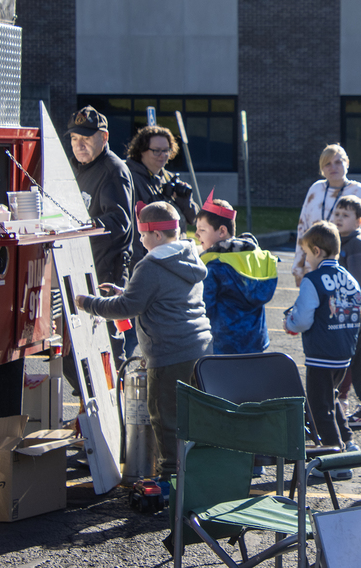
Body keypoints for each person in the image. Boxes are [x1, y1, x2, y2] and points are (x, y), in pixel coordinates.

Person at [74, 201, 213, 482]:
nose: (139, 239)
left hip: (169, 352)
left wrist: (87, 303)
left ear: (157, 235)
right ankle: (198, 473)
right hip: (200, 347)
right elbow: (155, 294)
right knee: (194, 414)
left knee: (164, 417)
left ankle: (170, 479)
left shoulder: (151, 264)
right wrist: (126, 291)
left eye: (142, 234)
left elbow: (127, 307)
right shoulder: (188, 255)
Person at [284, 221, 361, 478]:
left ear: (317, 251)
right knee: (332, 397)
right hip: (344, 352)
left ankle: (334, 459)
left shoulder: (313, 280)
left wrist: (290, 321)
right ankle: (348, 441)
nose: (305, 258)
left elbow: (304, 319)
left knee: (319, 406)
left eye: (306, 252)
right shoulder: (350, 278)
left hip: (321, 353)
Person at [67, 105, 134, 364]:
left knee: (107, 340)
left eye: (86, 138)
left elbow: (119, 221)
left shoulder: (112, 170)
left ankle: (115, 397)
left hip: (107, 270)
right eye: (74, 138)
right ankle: (91, 397)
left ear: (103, 137)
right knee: (75, 342)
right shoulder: (78, 167)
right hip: (81, 264)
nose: (79, 144)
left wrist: (82, 227)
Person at [195, 190, 278, 355]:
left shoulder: (214, 266)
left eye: (202, 230)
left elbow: (205, 309)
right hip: (256, 342)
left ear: (222, 231)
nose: (197, 234)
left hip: (224, 346)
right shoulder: (255, 257)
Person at [293, 144, 361, 287]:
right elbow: (302, 229)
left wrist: (360, 266)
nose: (333, 167)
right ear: (322, 168)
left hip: (344, 268)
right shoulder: (315, 189)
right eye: (327, 164)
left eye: (338, 162)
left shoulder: (359, 191)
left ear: (347, 163)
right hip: (312, 266)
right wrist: (298, 268)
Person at [331, 195, 361, 428]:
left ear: (359, 221)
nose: (339, 219)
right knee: (358, 359)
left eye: (346, 215)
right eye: (337, 214)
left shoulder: (357, 246)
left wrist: (355, 317)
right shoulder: (341, 243)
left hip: (357, 316)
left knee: (352, 359)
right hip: (347, 315)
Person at [124, 126, 198, 272]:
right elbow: (134, 227)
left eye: (166, 150)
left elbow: (194, 218)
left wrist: (185, 201)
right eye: (156, 151)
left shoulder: (169, 178)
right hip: (150, 261)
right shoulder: (130, 179)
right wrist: (139, 267)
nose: (162, 155)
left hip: (174, 258)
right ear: (141, 150)